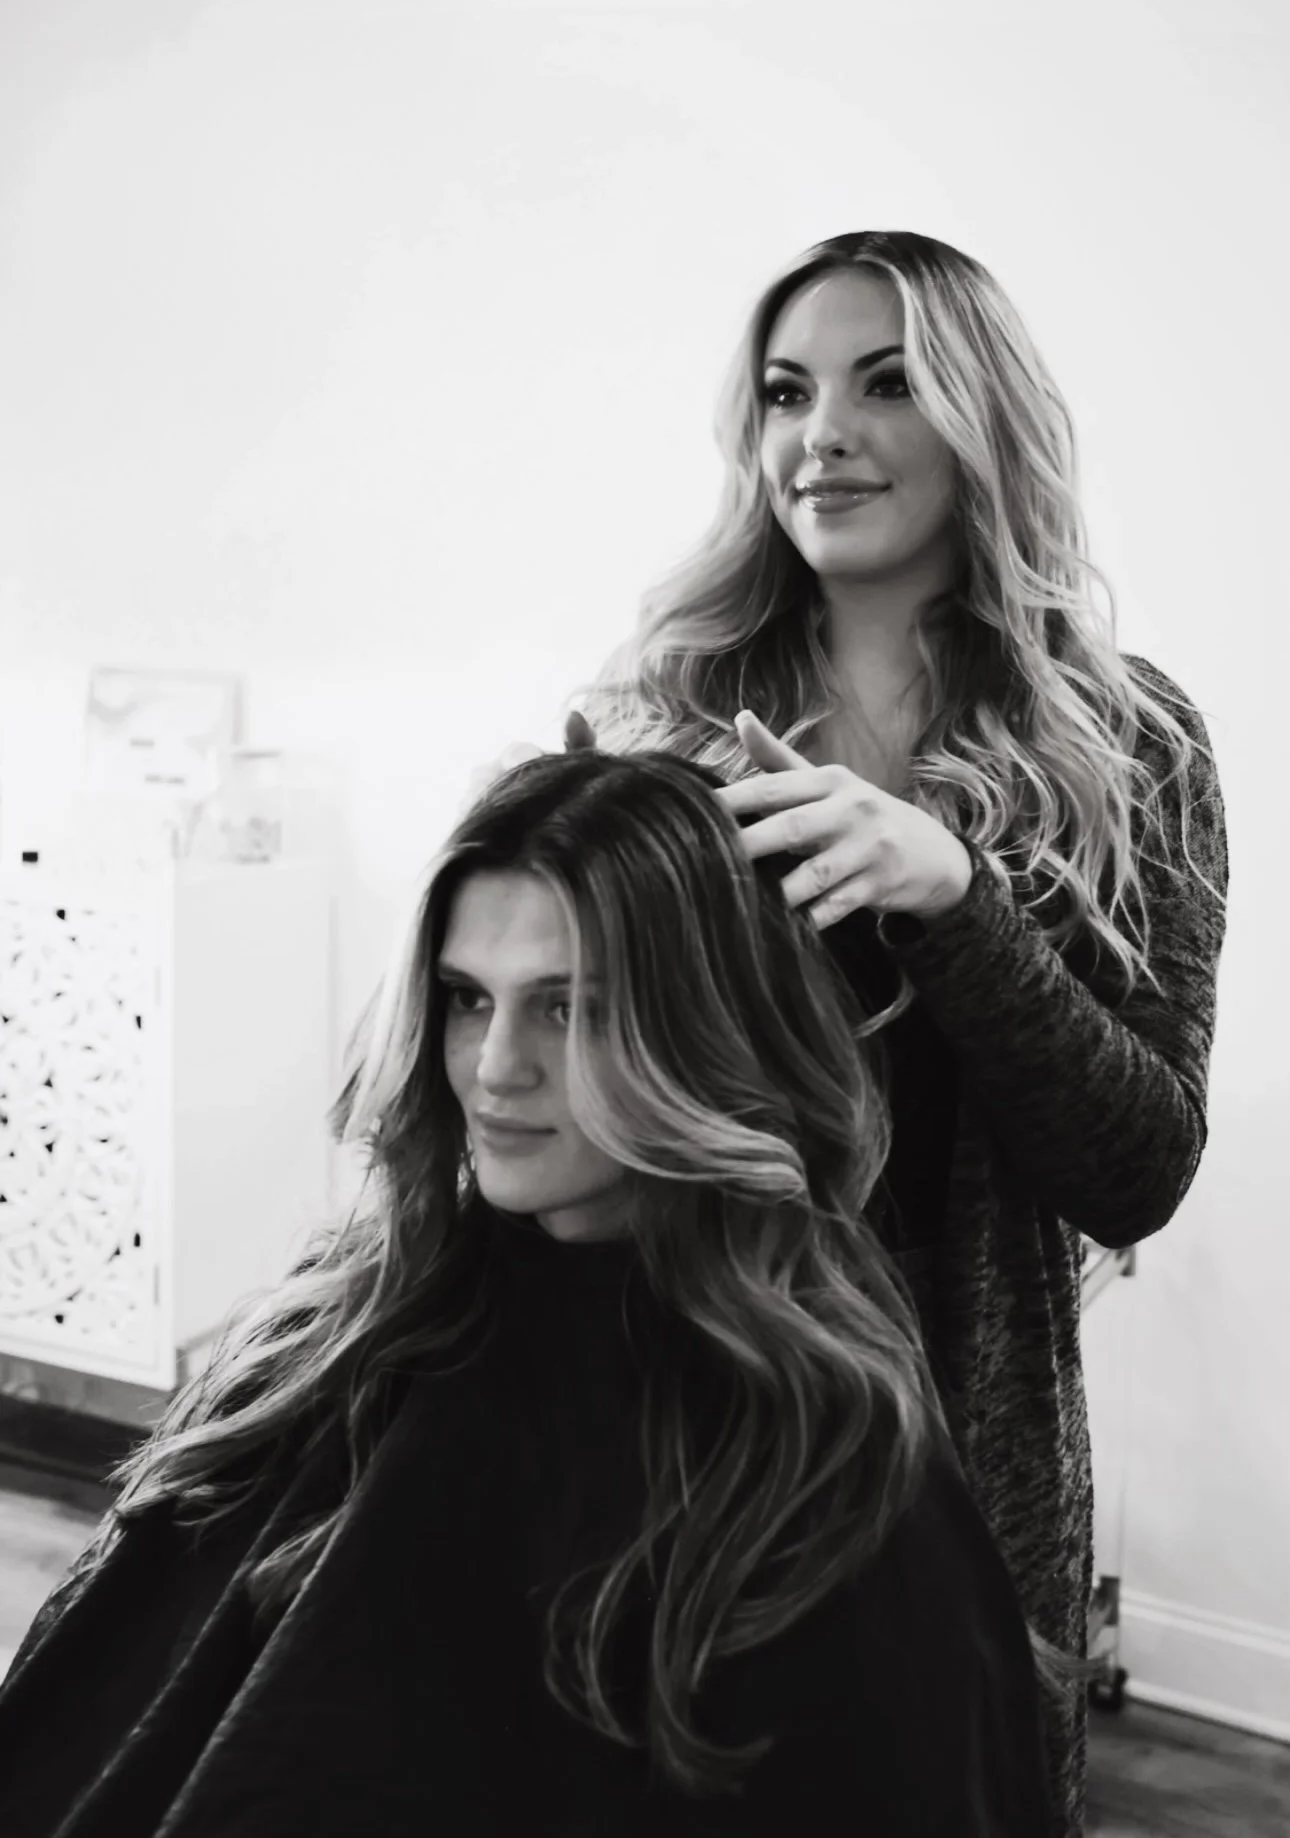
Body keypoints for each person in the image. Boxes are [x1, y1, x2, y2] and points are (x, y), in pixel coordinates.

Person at [0, 750, 1053, 1836]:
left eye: (570, 1007)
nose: (496, 1066)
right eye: (467, 998)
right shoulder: (346, 1321)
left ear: (705, 1028)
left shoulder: (817, 1453)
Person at [570, 229, 1229, 1838]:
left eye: (886, 383)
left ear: (982, 414)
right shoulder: (652, 715)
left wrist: (954, 899)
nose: (821, 435)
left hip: (961, 1461)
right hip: (665, 1431)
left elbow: (1136, 1165)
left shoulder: (1129, 747)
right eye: (788, 390)